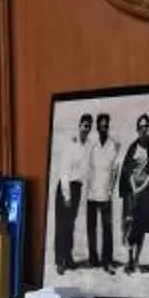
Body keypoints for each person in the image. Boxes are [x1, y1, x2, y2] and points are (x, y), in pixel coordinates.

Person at [117, 111, 149, 273]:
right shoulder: (133, 147)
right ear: (137, 129)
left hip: (146, 192)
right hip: (131, 192)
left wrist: (141, 188)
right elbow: (127, 170)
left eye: (146, 126)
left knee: (140, 227)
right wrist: (134, 187)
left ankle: (137, 261)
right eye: (141, 127)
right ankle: (129, 259)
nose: (144, 129)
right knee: (129, 225)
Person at [54, 113, 92, 272]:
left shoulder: (88, 144)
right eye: (84, 125)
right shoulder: (72, 143)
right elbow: (64, 170)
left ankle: (68, 257)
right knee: (61, 226)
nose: (86, 129)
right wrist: (66, 195)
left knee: (70, 225)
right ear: (79, 125)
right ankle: (59, 261)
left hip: (77, 188)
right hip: (66, 187)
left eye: (89, 126)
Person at [85, 112, 117, 272]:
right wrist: (88, 188)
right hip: (92, 193)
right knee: (91, 227)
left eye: (106, 125)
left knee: (107, 228)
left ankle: (107, 260)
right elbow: (89, 169)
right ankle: (93, 258)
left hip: (105, 193)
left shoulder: (113, 145)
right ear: (97, 127)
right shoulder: (92, 145)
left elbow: (115, 169)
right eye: (102, 125)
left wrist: (111, 189)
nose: (104, 128)